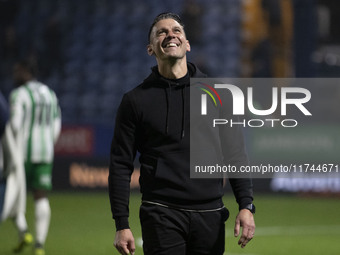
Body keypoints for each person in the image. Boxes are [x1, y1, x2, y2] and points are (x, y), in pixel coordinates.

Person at [108, 12, 255, 255]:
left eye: (176, 30)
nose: (170, 35)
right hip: (160, 212)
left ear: (187, 44)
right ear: (150, 49)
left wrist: (246, 205)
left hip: (210, 214)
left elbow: (235, 154)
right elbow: (120, 165)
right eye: (161, 32)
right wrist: (121, 223)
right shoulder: (135, 101)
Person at [8, 60, 61, 255]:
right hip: (45, 151)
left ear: (24, 72)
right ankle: (39, 245)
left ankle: (24, 232)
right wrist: (48, 144)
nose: (14, 74)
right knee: (41, 196)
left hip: (21, 152)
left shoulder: (18, 94)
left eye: (16, 70)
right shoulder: (50, 93)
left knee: (12, 196)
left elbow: (14, 124)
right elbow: (57, 124)